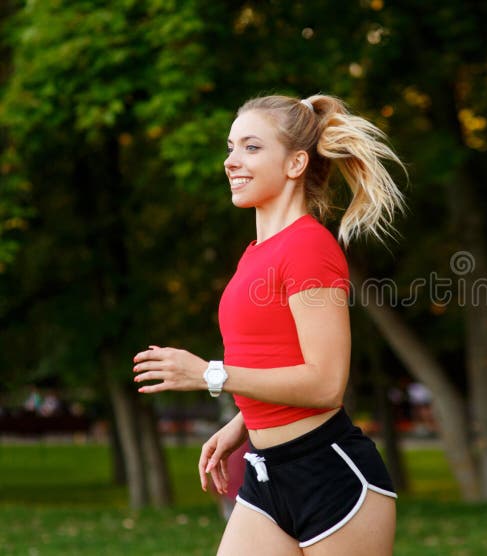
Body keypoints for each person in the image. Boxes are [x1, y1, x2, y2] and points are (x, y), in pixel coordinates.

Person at [132, 94, 405, 555]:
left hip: (330, 478)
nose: (231, 161)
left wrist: (208, 374)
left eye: (251, 148)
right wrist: (242, 423)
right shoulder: (257, 253)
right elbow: (278, 358)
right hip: (266, 473)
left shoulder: (308, 248)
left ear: (296, 163)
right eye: (231, 147)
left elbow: (324, 385)